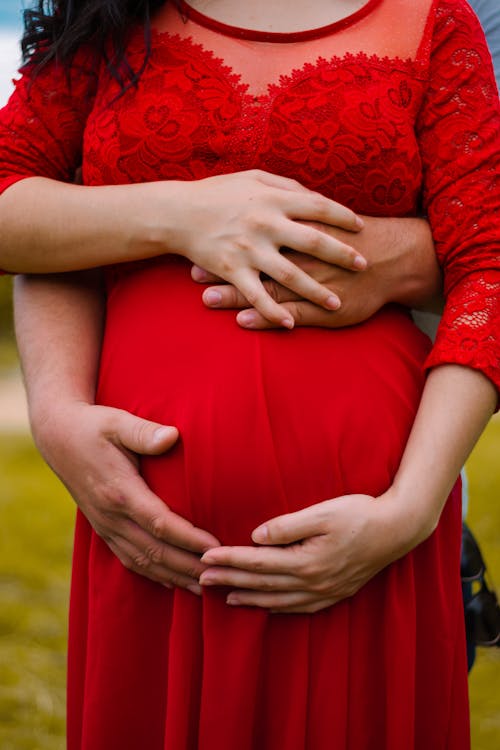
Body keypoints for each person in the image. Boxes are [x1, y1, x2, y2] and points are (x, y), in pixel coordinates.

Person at [1, 0, 499, 748]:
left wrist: (412, 508)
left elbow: (487, 267)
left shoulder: (436, 20)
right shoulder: (105, 13)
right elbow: (17, 193)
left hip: (369, 533)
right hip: (150, 536)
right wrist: (178, 213)